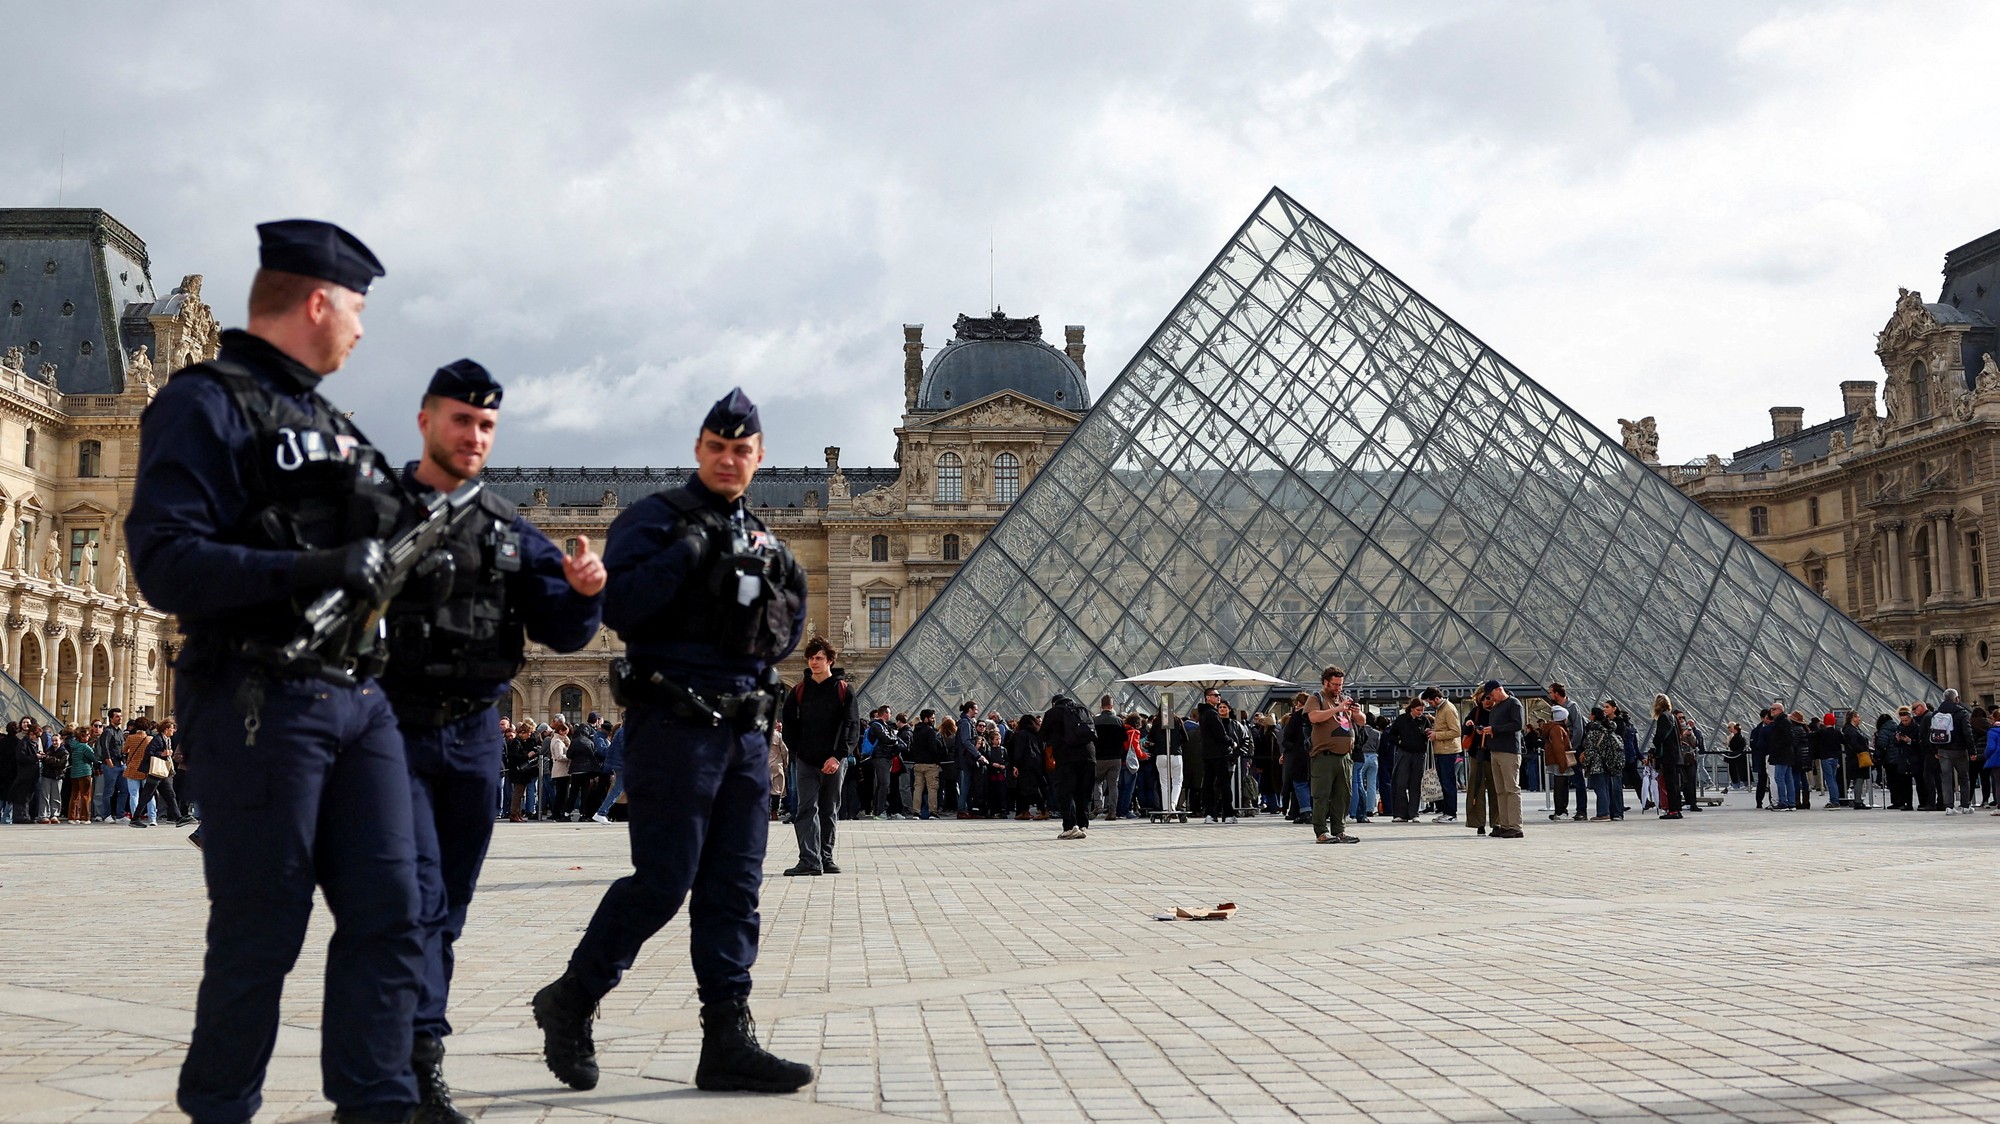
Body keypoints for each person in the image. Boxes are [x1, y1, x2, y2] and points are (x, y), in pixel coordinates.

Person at [126, 219, 427, 1124]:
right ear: (317, 302)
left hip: (358, 699)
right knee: (262, 929)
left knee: (392, 913)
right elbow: (166, 562)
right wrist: (308, 572)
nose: (364, 331)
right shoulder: (203, 403)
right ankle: (220, 1108)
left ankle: (375, 1105)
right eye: (359, 310)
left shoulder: (331, 422)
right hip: (261, 691)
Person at [531, 387, 811, 1096]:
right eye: (717, 447)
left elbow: (787, 631)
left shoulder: (770, 545)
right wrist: (687, 556)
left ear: (759, 456)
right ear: (698, 449)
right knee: (661, 881)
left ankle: (726, 1039)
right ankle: (573, 997)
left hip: (744, 736)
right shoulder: (652, 521)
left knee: (735, 889)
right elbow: (618, 608)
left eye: (741, 449)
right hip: (674, 725)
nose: (728, 459)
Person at [377, 358, 606, 1120]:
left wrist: (582, 595)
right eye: (460, 420)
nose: (473, 435)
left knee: (445, 905)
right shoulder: (374, 510)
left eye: (485, 425)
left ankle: (419, 1057)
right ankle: (404, 1063)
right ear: (425, 421)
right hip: (391, 728)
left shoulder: (509, 529)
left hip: (474, 734)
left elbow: (564, 631)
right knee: (407, 900)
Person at [780, 636, 857, 876]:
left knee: (829, 809)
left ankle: (825, 857)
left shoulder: (844, 690)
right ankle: (809, 860)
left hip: (834, 761)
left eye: (819, 658)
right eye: (811, 658)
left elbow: (851, 726)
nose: (814, 662)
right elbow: (789, 723)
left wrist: (838, 756)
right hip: (806, 760)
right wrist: (798, 752)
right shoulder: (799, 690)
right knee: (805, 809)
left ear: (830, 661)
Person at [1307, 666, 1360, 844]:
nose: (1338, 688)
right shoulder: (1317, 698)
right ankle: (1321, 831)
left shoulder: (1344, 699)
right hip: (1324, 756)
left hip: (1345, 756)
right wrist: (1337, 709)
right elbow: (1314, 717)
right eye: (1335, 684)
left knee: (1343, 795)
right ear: (1325, 682)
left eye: (1340, 685)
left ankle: (1339, 830)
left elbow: (1362, 721)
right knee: (1321, 794)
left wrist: (1356, 712)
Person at [1478, 681, 1525, 838]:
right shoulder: (1496, 707)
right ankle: (1505, 824)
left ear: (1499, 690)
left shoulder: (1513, 703)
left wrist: (1495, 729)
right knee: (1500, 790)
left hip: (1509, 751)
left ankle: (1515, 826)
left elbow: (1517, 724)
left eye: (1491, 695)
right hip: (1495, 750)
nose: (1490, 698)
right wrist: (1486, 731)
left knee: (1511, 789)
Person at [1387, 698, 1429, 822]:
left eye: (1422, 710)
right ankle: (1400, 813)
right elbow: (1391, 734)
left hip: (1418, 753)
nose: (1420, 712)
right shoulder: (1401, 719)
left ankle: (1414, 813)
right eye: (1418, 710)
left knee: (1415, 784)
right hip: (1404, 753)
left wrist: (1427, 734)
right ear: (1411, 708)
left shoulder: (1424, 720)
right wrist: (1399, 742)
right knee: (1400, 783)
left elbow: (1428, 735)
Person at [1424, 687, 1460, 823]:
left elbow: (1456, 731)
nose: (1430, 705)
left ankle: (1451, 813)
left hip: (1448, 751)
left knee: (1448, 782)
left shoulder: (1448, 709)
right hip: (1441, 750)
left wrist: (1436, 735)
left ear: (1437, 699)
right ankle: (1446, 812)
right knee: (1443, 782)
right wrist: (1433, 730)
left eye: (1430, 702)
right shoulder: (1440, 709)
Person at [906, 709, 944, 819]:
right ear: (926, 718)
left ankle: (916, 812)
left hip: (917, 764)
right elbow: (933, 748)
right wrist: (937, 761)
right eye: (932, 718)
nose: (934, 720)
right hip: (930, 764)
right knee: (932, 788)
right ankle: (933, 812)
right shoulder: (930, 731)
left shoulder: (915, 731)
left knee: (918, 788)